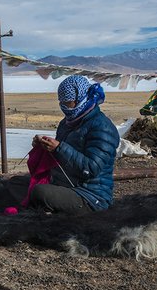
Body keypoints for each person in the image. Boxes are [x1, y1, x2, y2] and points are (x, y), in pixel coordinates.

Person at [21, 75, 119, 214]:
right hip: (62, 184)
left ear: (81, 99)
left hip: (89, 195)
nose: (64, 107)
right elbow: (58, 158)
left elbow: (91, 168)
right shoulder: (66, 123)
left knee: (39, 192)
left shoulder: (102, 127)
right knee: (17, 183)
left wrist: (59, 148)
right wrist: (44, 146)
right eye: (61, 103)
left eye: (68, 103)